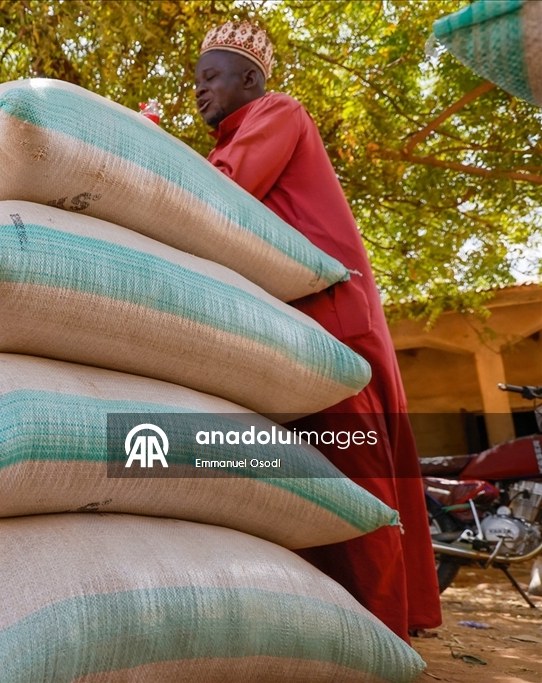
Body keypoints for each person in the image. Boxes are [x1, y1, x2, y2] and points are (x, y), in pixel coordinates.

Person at [193, 20, 442, 641]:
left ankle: (380, 634)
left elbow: (221, 192)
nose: (196, 92)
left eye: (209, 78)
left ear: (250, 78)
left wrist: (151, 154)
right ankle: (328, 634)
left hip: (330, 326)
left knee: (350, 477)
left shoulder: (276, 111)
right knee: (303, 486)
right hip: (297, 331)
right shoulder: (236, 134)